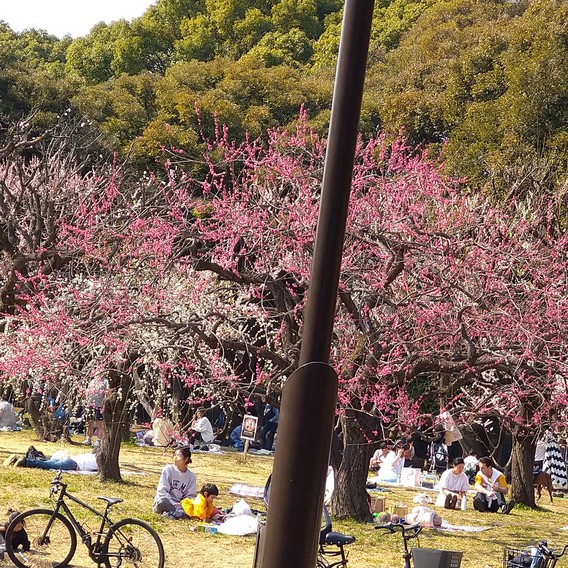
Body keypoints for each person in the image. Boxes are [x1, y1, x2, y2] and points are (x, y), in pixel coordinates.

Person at [153, 447, 197, 515]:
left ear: (186, 459)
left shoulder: (191, 476)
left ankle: (174, 513)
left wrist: (181, 504)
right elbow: (162, 491)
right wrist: (172, 503)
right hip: (166, 502)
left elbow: (190, 496)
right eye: (174, 455)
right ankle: (176, 513)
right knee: (162, 501)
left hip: (180, 505)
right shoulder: (168, 469)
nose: (175, 458)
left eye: (178, 455)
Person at [14, 450, 98, 471]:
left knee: (47, 462)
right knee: (49, 465)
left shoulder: (94, 455)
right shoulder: (101, 462)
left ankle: (19, 460)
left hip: (70, 459)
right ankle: (26, 462)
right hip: (74, 464)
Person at [84, 377, 109, 447]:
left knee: (99, 424)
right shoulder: (92, 381)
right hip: (90, 405)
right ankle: (88, 439)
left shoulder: (105, 381)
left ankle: (98, 440)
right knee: (89, 423)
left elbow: (107, 393)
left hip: (99, 405)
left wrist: (104, 404)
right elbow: (88, 391)